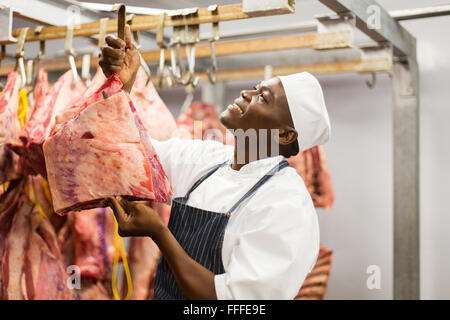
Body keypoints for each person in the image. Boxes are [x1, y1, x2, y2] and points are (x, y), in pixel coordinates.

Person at [99, 25, 331, 300]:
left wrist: (159, 233)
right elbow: (133, 154)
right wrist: (122, 84)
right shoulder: (209, 161)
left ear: (284, 134)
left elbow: (235, 302)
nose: (247, 94)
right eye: (255, 88)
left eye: (263, 98)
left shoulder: (285, 204)